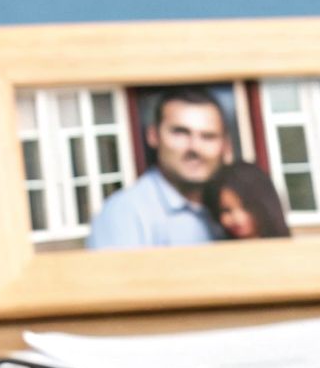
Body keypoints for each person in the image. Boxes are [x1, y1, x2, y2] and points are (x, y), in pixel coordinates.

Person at [86, 88, 229, 250]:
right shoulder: (125, 214)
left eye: (208, 136)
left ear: (225, 145)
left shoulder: (230, 211)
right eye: (180, 133)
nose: (195, 147)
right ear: (153, 136)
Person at [202, 162, 292, 240]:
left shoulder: (288, 250)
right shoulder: (216, 252)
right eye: (226, 210)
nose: (237, 219)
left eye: (246, 207)